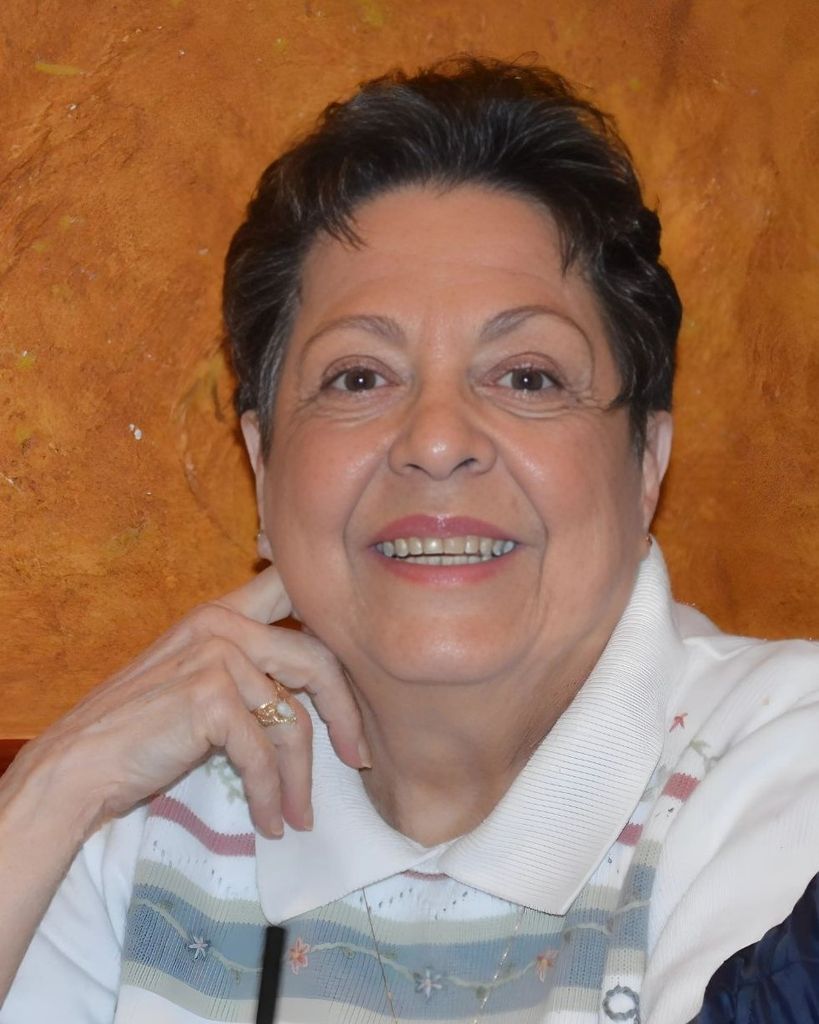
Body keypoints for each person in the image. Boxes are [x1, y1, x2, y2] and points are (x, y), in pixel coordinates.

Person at [1, 57, 818, 1024]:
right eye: (357, 378)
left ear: (646, 464)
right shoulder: (134, 817)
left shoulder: (782, 763)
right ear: (261, 467)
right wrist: (49, 795)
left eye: (526, 377)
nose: (435, 441)